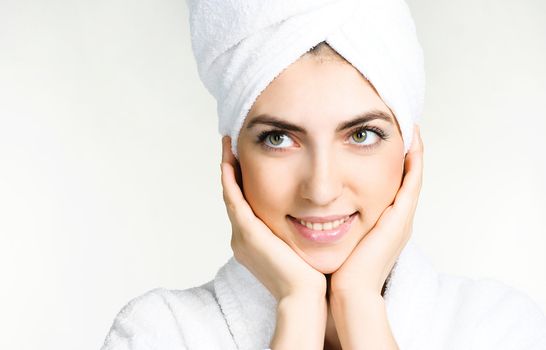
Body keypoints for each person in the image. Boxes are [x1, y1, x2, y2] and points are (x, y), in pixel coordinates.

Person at [100, 1, 546, 349]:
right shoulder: (159, 334)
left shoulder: (497, 328)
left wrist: (361, 309)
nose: (321, 188)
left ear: (409, 152)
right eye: (278, 138)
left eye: (362, 135)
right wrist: (296, 312)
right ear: (234, 159)